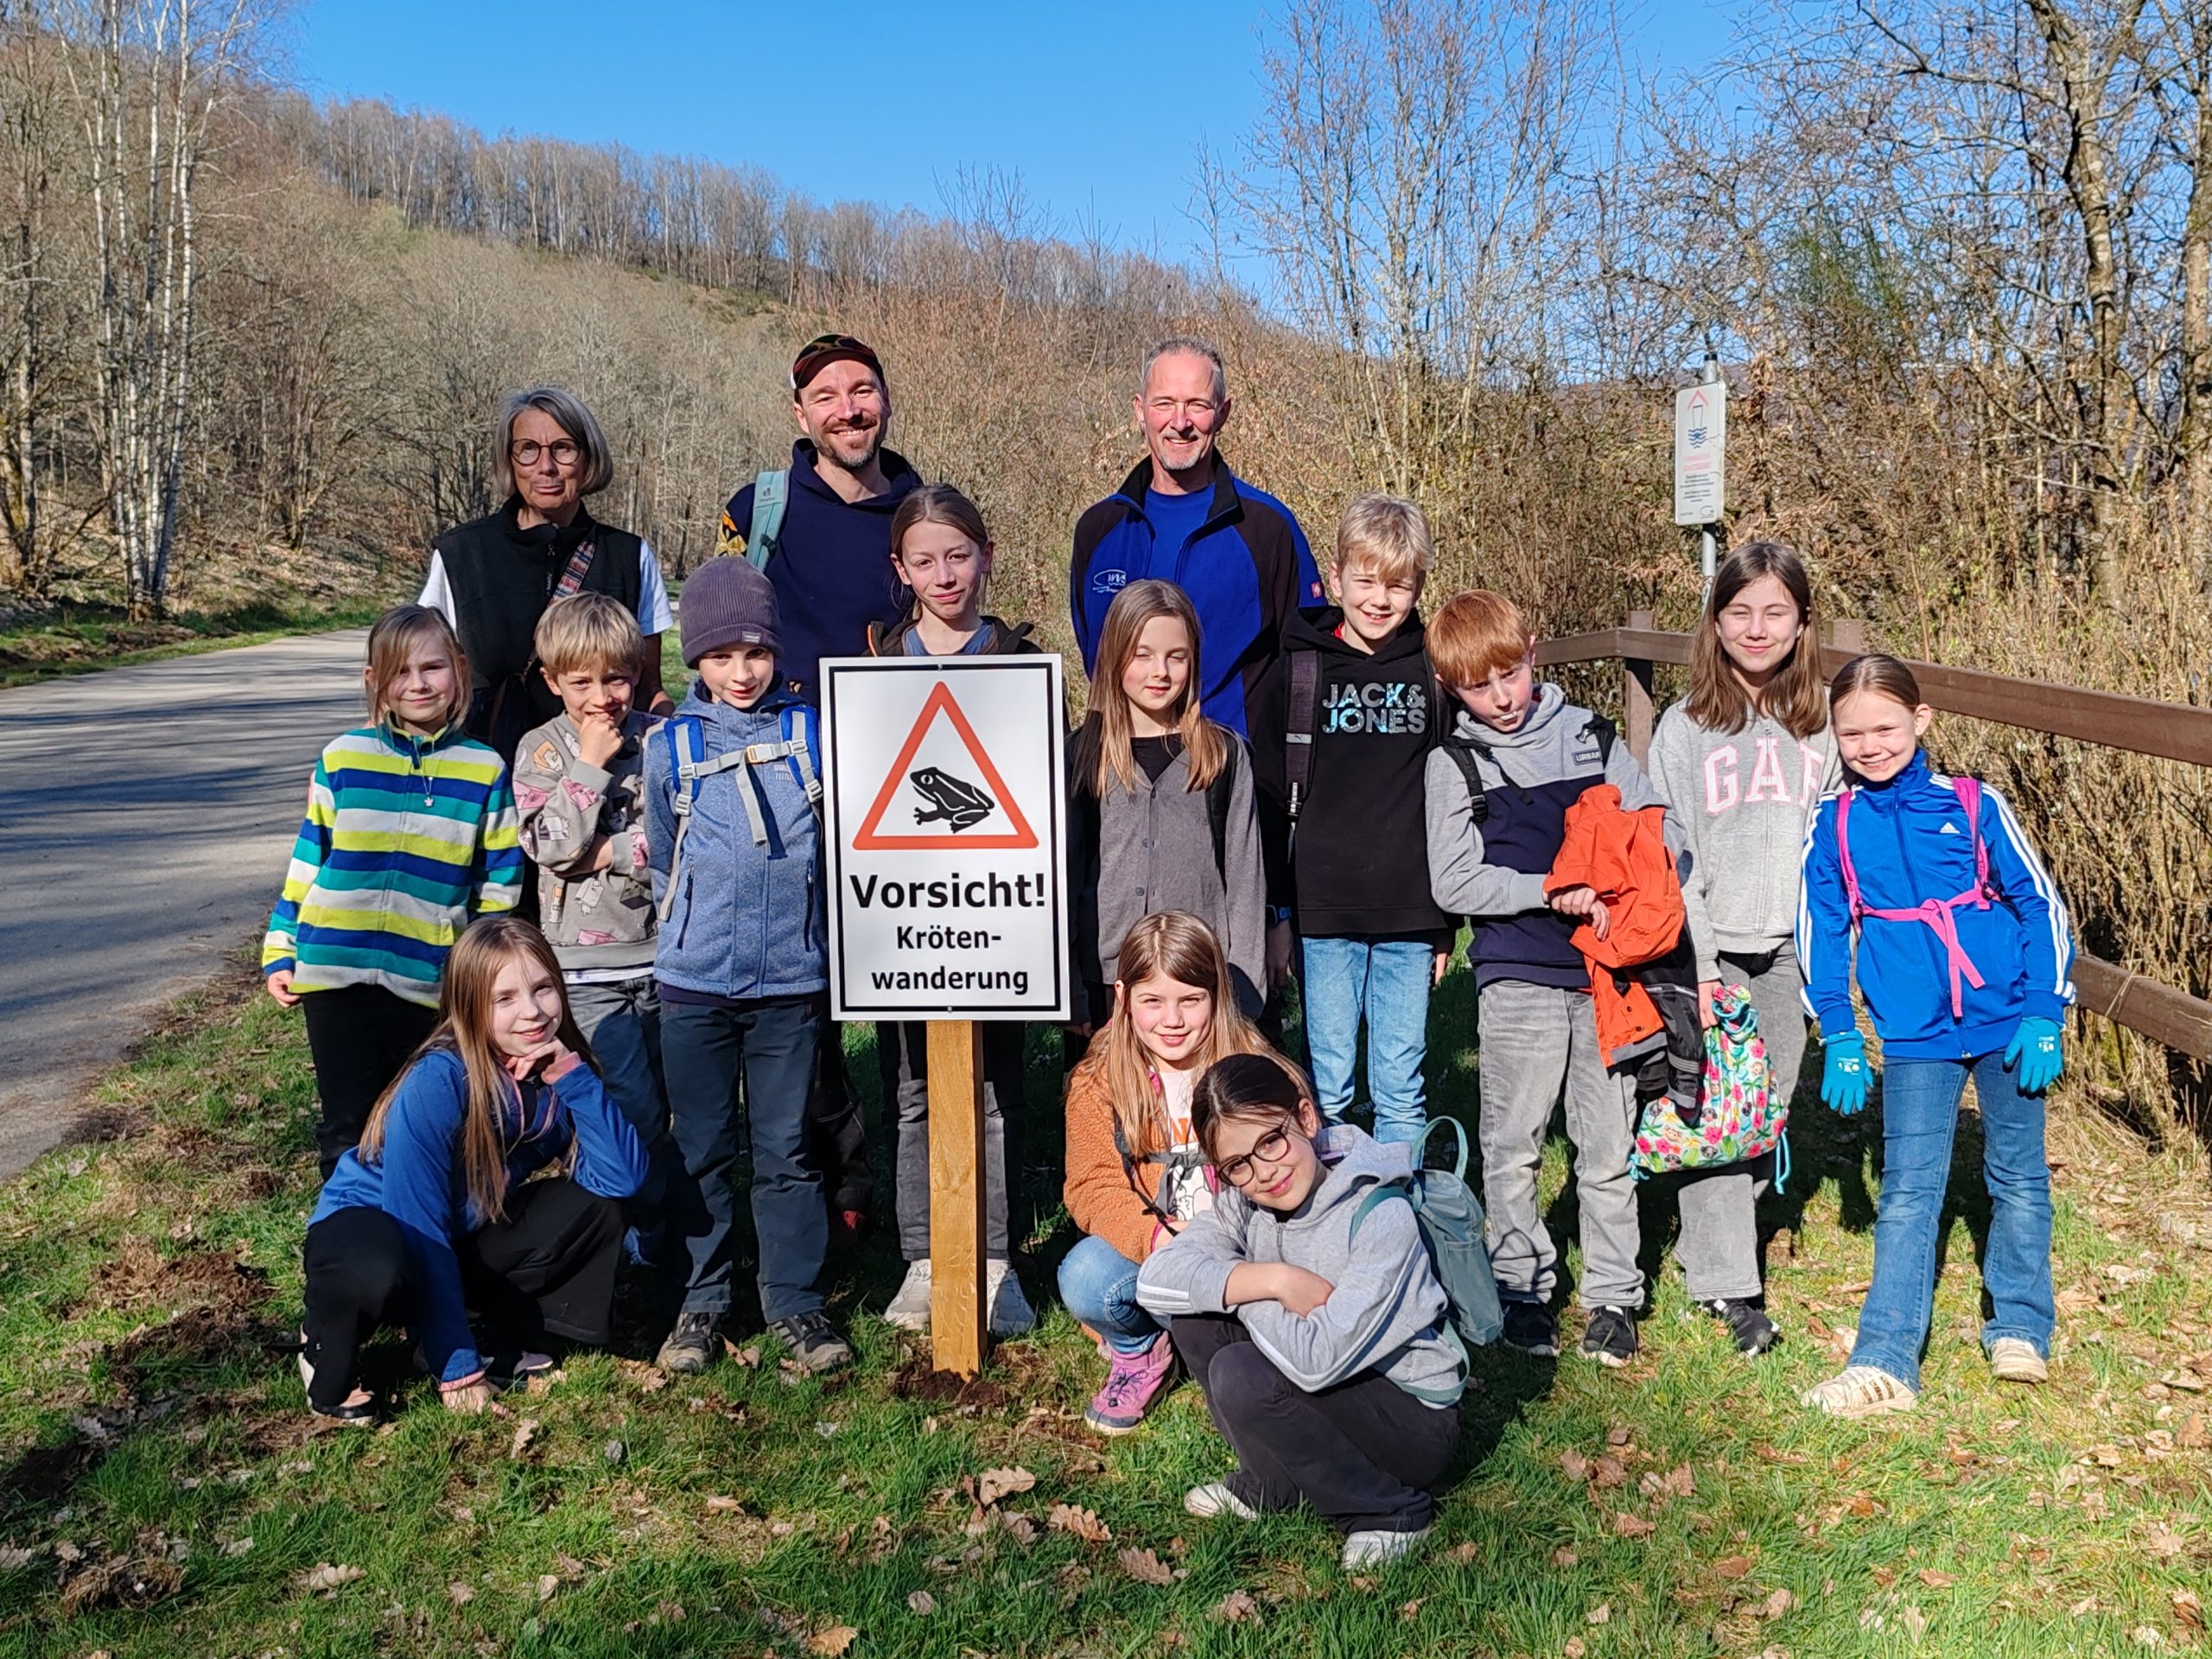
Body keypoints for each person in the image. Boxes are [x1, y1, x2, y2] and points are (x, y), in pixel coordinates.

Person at [1798, 653, 2074, 1417]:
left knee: (2019, 1177)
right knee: (1909, 1191)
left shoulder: (1975, 805)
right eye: (1852, 734)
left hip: (2008, 1020)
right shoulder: (1835, 823)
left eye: (1885, 728)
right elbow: (1822, 928)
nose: (1870, 746)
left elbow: (2040, 905)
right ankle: (1885, 1360)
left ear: (1920, 721)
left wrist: (2046, 1012)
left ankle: (2020, 1325)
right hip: (1914, 1033)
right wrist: (1840, 1030)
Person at [1423, 589, 1676, 1367]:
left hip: (1607, 977)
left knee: (1606, 1143)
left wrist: (1626, 889)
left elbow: (1655, 828)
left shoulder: (1593, 738)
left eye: (1510, 674)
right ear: (1451, 687)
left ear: (1533, 653)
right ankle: (1522, 1287)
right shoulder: (1454, 764)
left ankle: (1613, 1296)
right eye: (1478, 687)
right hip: (1516, 974)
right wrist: (1549, 888)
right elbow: (1454, 881)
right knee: (1513, 1143)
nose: (1501, 698)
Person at [720, 334, 923, 1236]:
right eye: (828, 395)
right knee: (800, 994)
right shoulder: (757, 509)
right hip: (784, 785)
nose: (849, 408)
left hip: (897, 784)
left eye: (863, 389)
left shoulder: (921, 509)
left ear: (886, 400)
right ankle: (837, 1187)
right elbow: (719, 633)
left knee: (905, 981)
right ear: (800, 413)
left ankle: (923, 1181)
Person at [296, 917, 646, 1423]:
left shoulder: (554, 1070)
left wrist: (573, 1077)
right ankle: (324, 1341)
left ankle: (479, 1329)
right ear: (470, 1006)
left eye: (543, 988)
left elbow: (621, 1179)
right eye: (504, 999)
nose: (532, 1011)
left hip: (459, 1230)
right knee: (378, 1267)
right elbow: (417, 1224)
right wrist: (457, 1371)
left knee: (598, 1209)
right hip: (381, 1227)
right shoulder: (440, 1077)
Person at [1135, 1052, 1465, 1571]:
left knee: (1241, 1370)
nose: (1264, 1173)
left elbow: (1318, 1361)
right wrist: (1273, 1281)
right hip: (1333, 1381)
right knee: (1197, 1323)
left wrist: (1242, 1294)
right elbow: (1154, 1280)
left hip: (1411, 1419)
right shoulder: (1245, 1202)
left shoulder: (1380, 1212)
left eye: (1271, 1141)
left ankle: (1387, 1510)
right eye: (1238, 1165)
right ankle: (1270, 1483)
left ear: (1306, 1118)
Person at [645, 556, 850, 1377]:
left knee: (786, 1149)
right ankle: (700, 1301)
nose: (741, 672)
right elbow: (665, 856)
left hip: (791, 985)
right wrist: (688, 935)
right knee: (699, 1148)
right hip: (694, 985)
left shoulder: (811, 736)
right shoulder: (671, 747)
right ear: (696, 658)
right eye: (721, 655)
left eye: (756, 653)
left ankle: (795, 1303)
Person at [1643, 543, 1839, 1356]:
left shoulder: (1823, 724)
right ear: (1716, 622)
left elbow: (1839, 840)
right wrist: (1698, 960)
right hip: (1713, 945)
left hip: (1790, 948)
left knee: (1769, 1106)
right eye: (1740, 612)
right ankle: (1730, 1284)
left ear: (1801, 623)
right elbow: (1672, 852)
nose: (1757, 629)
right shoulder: (1685, 728)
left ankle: (1709, 1242)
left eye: (1775, 613)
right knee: (1723, 1108)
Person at [263, 605, 523, 1178]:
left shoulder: (483, 769)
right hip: (333, 969)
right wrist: (281, 947)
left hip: (427, 979)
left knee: (419, 1122)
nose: (417, 684)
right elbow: (309, 859)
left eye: (432, 667)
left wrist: (480, 974)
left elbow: (499, 885)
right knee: (346, 1125)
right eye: (400, 672)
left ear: (459, 669)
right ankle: (346, 1225)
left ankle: (418, 1225)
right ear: (374, 680)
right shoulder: (342, 757)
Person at [869, 485, 1038, 1338]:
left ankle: (996, 1259)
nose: (944, 576)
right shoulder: (873, 666)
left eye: (959, 556)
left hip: (998, 920)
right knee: (912, 1093)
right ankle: (924, 1259)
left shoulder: (1021, 661)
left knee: (994, 1094)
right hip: (903, 923)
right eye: (925, 561)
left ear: (987, 556)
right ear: (900, 570)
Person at [1248, 493, 1451, 1147]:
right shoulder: (1298, 671)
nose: (1380, 600)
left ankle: (1399, 1207)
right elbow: (1269, 803)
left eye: (1398, 585)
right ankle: (1330, 1204)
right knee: (1327, 1087)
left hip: (1411, 911)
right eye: (1365, 581)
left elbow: (1454, 803)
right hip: (1321, 914)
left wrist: (1446, 922)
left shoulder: (1434, 672)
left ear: (1419, 587)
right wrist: (1278, 915)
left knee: (1401, 1088)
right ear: (1335, 580)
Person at [1058, 912, 1272, 1434]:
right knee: (1084, 1276)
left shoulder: (1251, 1063)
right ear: (1124, 997)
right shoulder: (1098, 1080)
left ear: (1216, 996)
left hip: (1239, 1255)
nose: (1172, 1020)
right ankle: (1140, 1349)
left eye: (1190, 1000)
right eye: (1152, 1001)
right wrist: (1157, 1238)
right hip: (1156, 1255)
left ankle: (1220, 1341)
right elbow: (1091, 1185)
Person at [510, 593, 673, 1264]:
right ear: (553, 681)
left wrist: (604, 852)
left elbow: (682, 836)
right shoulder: (542, 750)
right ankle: (623, 1238)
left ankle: (664, 1229)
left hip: (665, 954)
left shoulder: (661, 741)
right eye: (581, 682)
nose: (602, 698)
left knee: (669, 1103)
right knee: (627, 1106)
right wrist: (590, 765)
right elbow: (548, 845)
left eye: (617, 679)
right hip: (584, 969)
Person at [1070, 336, 1323, 741]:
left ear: (1223, 413)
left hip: (1232, 769)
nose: (1180, 422)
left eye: (1197, 405)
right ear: (1140, 410)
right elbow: (1093, 653)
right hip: (1118, 767)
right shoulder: (1098, 529)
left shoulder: (1267, 528)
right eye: (1164, 403)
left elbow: (1309, 664)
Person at [420, 386, 674, 760]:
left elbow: (649, 687)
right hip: (483, 773)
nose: (546, 467)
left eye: (563, 448)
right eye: (528, 449)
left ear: (588, 459)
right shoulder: (461, 555)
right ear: (509, 460)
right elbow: (418, 679)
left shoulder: (628, 556)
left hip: (602, 774)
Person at [1070, 580, 1270, 1026]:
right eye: (1142, 655)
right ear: (1114, 656)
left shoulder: (1223, 754)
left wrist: (1244, 994)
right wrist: (1069, 991)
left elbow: (1245, 879)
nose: (1159, 671)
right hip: (1104, 982)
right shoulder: (1081, 756)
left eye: (1176, 657)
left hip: (1198, 981)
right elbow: (1064, 877)